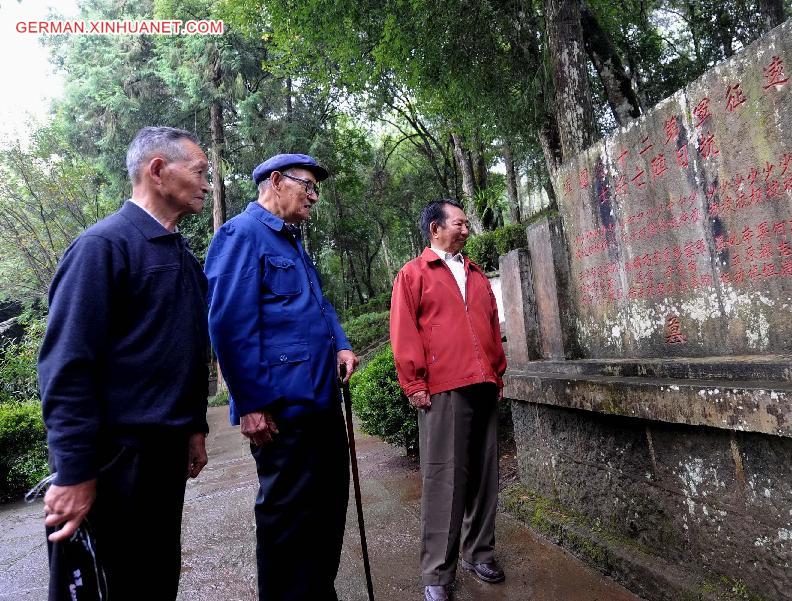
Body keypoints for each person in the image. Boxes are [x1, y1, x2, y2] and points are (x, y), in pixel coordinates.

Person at [38, 126, 211, 600]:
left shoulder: (182, 257)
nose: (206, 184)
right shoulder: (102, 248)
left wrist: (194, 427)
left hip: (164, 458)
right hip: (117, 462)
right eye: (199, 172)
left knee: (155, 581)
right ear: (158, 170)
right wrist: (74, 471)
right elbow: (66, 367)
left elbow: (188, 350)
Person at [204, 153, 359, 601]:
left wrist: (342, 342)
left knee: (328, 510)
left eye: (316, 189)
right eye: (307, 186)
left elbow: (318, 304)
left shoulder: (292, 242)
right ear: (275, 180)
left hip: (321, 402)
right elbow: (228, 327)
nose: (314, 196)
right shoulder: (240, 235)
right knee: (287, 520)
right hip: (281, 411)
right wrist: (250, 404)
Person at [389, 199, 508, 601]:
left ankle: (480, 552)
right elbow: (404, 332)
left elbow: (492, 325)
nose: (466, 228)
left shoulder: (475, 274)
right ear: (435, 228)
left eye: (467, 223)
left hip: (484, 383)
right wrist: (414, 382)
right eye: (458, 223)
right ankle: (438, 574)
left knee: (484, 476)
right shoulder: (413, 274)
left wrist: (498, 372)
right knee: (445, 480)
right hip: (442, 387)